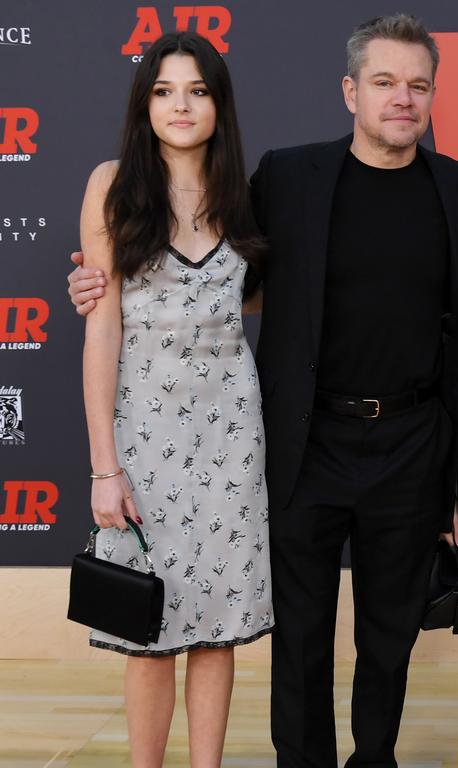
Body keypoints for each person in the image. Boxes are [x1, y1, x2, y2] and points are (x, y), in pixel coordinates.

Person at [70, 14, 458, 768]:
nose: (402, 98)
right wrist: (95, 281)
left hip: (409, 440)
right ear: (350, 90)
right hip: (304, 440)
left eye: (418, 85)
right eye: (385, 82)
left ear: (432, 96)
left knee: (386, 635)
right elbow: (234, 280)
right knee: (298, 634)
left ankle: (375, 760)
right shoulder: (285, 177)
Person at [79, 31, 272, 768]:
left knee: (218, 626)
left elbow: (243, 305)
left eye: (196, 90)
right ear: (144, 103)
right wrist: (105, 466)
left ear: (219, 105)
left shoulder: (242, 197)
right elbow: (102, 332)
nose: (181, 105)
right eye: (164, 90)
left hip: (232, 431)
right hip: (143, 433)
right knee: (147, 622)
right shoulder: (113, 185)